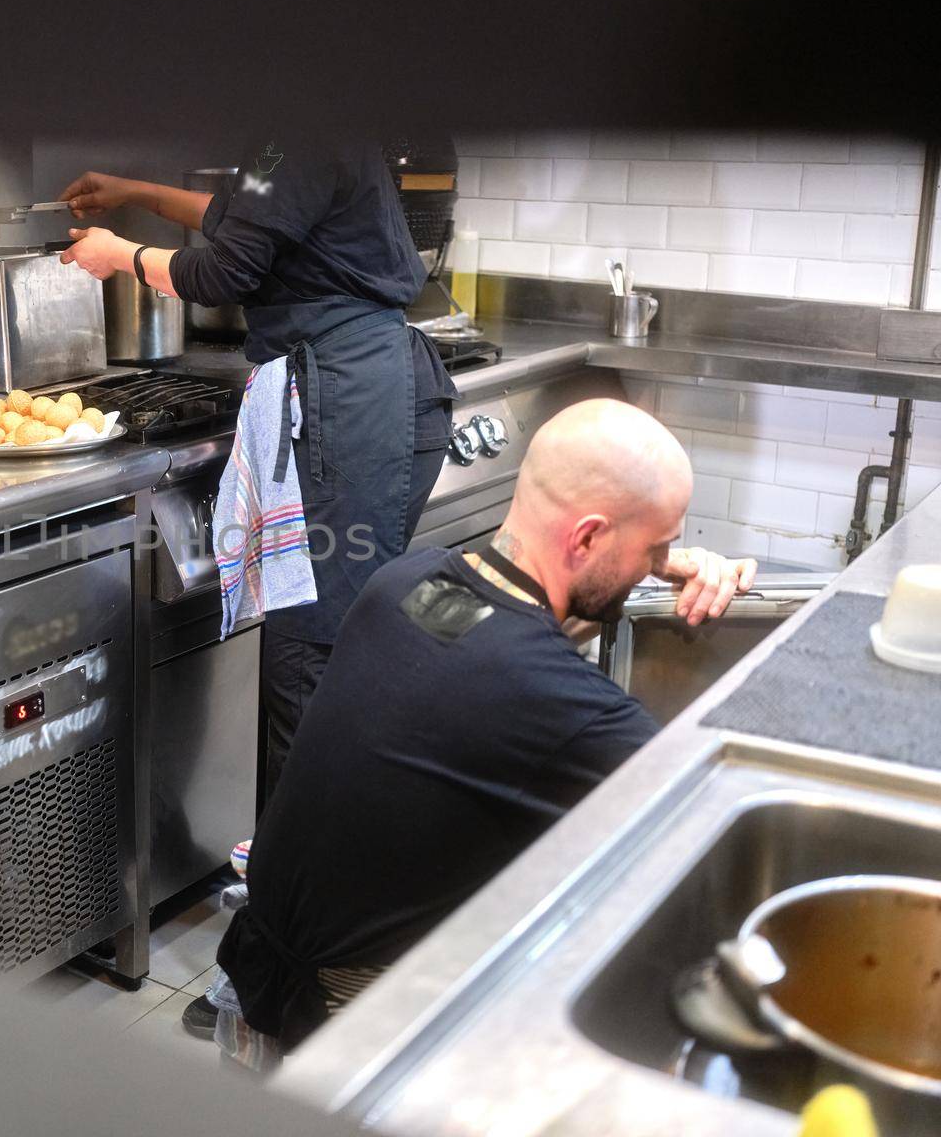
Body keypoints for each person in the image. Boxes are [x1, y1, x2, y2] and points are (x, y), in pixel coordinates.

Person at [211, 398, 759, 1070]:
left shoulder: (407, 586)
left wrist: (647, 562)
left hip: (252, 993)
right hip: (347, 1035)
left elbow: (505, 637)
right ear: (585, 539)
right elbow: (710, 810)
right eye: (656, 547)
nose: (661, 562)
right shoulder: (562, 709)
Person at [57, 136, 460, 803]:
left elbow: (223, 272)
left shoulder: (295, 129)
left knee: (310, 653)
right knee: (321, 647)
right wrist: (138, 193)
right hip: (368, 380)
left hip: (348, 396)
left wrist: (118, 255)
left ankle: (302, 890)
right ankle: (307, 872)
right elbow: (252, 217)